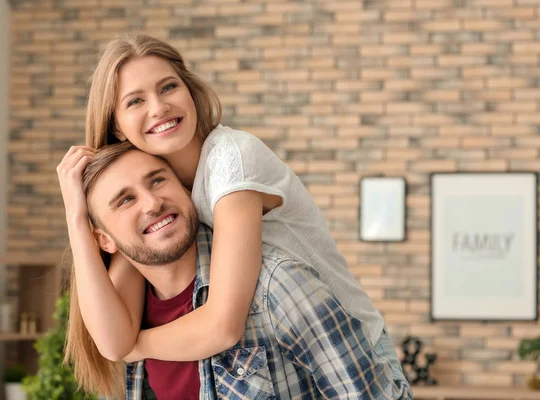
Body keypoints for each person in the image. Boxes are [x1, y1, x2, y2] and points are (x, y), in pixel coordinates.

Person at [57, 32, 395, 398]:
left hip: (356, 352)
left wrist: (138, 346)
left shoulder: (231, 161)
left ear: (190, 92)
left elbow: (221, 326)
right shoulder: (160, 194)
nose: (158, 108)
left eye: (168, 87)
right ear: (118, 126)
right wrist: (78, 219)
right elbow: (112, 342)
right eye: (136, 100)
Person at [81, 141, 412, 399]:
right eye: (125, 200)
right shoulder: (122, 320)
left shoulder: (278, 286)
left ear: (186, 189)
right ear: (104, 240)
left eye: (157, 180)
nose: (152, 203)